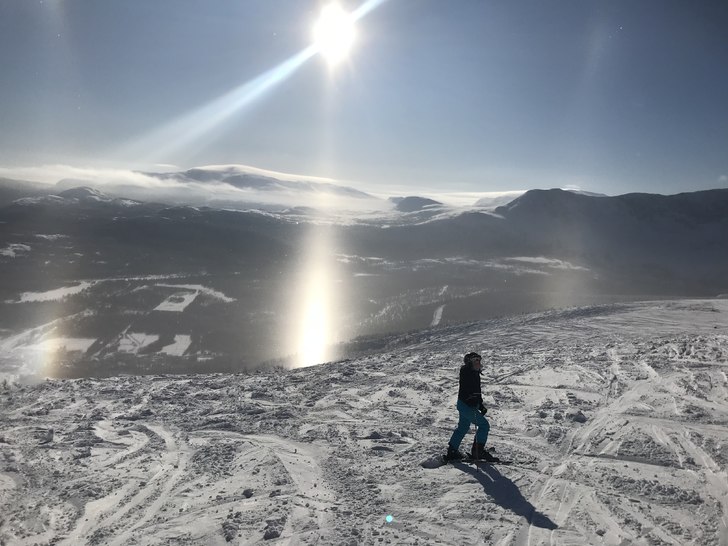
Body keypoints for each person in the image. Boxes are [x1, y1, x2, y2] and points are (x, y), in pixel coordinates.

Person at [446, 352, 499, 462]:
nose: (478, 362)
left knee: (463, 427)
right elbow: (467, 388)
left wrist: (480, 405)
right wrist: (470, 399)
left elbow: (477, 392)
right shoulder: (466, 371)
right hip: (466, 405)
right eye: (475, 360)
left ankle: (452, 451)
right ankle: (477, 452)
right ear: (469, 362)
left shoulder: (475, 373)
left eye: (479, 360)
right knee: (484, 425)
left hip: (465, 405)